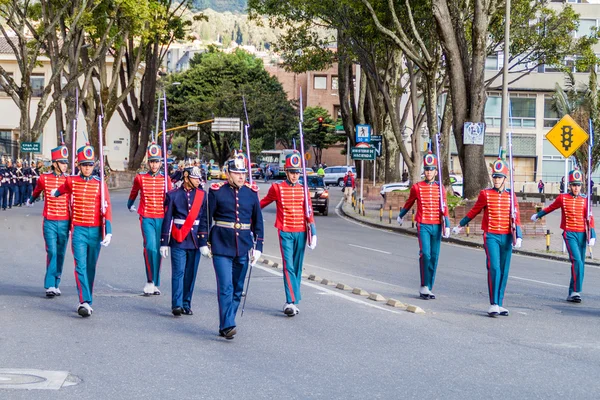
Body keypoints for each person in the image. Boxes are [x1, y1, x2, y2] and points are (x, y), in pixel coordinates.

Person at [452, 158, 522, 317]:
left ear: (505, 178)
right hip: (491, 235)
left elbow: (516, 217)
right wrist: (460, 224)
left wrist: (519, 235)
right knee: (494, 267)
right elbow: (474, 211)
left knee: (504, 270)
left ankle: (500, 302)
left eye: (499, 177)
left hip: (507, 236)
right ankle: (493, 303)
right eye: (494, 177)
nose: (496, 180)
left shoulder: (512, 196)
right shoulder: (486, 194)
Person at [52, 143, 113, 317]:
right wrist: (54, 192)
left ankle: (88, 298)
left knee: (91, 267)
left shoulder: (100, 184)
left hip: (95, 231)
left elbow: (106, 207)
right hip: (78, 229)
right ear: (78, 165)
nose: (87, 168)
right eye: (84, 165)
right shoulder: (72, 181)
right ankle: (84, 301)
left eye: (90, 165)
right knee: (80, 265)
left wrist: (108, 231)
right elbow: (62, 189)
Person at [208, 151, 263, 339]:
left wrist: (258, 247)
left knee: (238, 288)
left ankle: (227, 321)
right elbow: (207, 217)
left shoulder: (251, 193)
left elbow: (258, 222)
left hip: (243, 245)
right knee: (226, 287)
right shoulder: (216, 191)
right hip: (221, 245)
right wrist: (203, 241)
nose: (241, 177)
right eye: (237, 173)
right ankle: (228, 324)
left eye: (243, 173)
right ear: (228, 174)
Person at [260, 151, 317, 316]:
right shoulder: (277, 188)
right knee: (288, 266)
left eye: (297, 172)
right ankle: (290, 301)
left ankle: (293, 300)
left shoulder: (304, 189)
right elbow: (262, 203)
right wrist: (248, 208)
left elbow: (309, 211)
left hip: (301, 231)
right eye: (292, 172)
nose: (295, 175)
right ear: (286, 171)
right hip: (285, 230)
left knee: (297, 267)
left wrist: (312, 230)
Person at [531, 169, 595, 303]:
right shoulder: (563, 198)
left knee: (580, 263)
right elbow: (551, 208)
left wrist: (592, 235)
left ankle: (572, 292)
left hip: (582, 234)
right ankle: (577, 291)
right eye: (573, 185)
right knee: (577, 260)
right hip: (569, 233)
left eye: (578, 185)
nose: (576, 188)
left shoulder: (585, 200)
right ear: (569, 186)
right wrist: (538, 215)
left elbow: (590, 218)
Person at [397, 151, 450, 300]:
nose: (428, 172)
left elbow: (444, 207)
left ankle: (429, 286)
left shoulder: (441, 188)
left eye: (431, 169)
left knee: (434, 256)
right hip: (423, 224)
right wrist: (401, 215)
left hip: (437, 225)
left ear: (435, 171)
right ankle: (424, 285)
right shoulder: (417, 187)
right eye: (426, 169)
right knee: (425, 254)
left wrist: (447, 224)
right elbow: (409, 203)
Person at [160, 166, 209, 316]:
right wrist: (164, 242)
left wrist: (204, 242)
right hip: (178, 237)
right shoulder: (172, 195)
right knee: (178, 272)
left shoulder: (203, 195)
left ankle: (186, 303)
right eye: (195, 178)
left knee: (190, 273)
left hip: (195, 238)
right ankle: (177, 304)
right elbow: (167, 219)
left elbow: (206, 220)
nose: (198, 181)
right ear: (186, 178)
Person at [128, 142, 173, 295]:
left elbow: (170, 200)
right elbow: (134, 192)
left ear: (161, 162)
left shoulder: (166, 179)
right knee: (150, 247)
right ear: (148, 162)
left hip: (161, 217)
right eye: (152, 161)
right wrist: (129, 204)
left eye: (157, 161)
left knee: (159, 250)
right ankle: (149, 280)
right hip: (146, 216)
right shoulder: (140, 178)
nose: (154, 165)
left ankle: (155, 281)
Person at [27, 144, 70, 297]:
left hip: (65, 221)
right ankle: (50, 284)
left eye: (66, 162)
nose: (65, 165)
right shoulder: (44, 178)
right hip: (50, 221)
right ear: (54, 163)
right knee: (51, 251)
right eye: (62, 162)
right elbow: (37, 190)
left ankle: (57, 282)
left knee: (60, 253)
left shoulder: (69, 180)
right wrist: (31, 200)